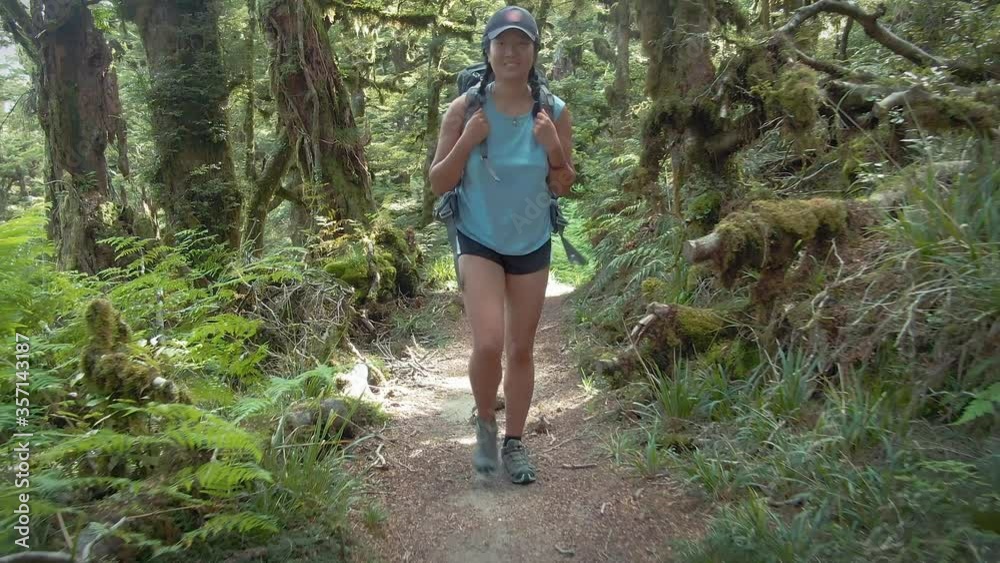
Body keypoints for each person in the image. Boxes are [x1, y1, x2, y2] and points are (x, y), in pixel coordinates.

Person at [429, 5, 576, 485]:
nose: (511, 52)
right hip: (479, 238)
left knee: (520, 348)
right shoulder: (465, 110)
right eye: (502, 43)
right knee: (489, 342)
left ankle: (514, 442)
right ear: (488, 51)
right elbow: (438, 181)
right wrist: (468, 140)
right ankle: (486, 425)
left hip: (530, 240)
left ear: (533, 52)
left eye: (521, 43)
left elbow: (562, 184)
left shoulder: (553, 112)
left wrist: (554, 148)